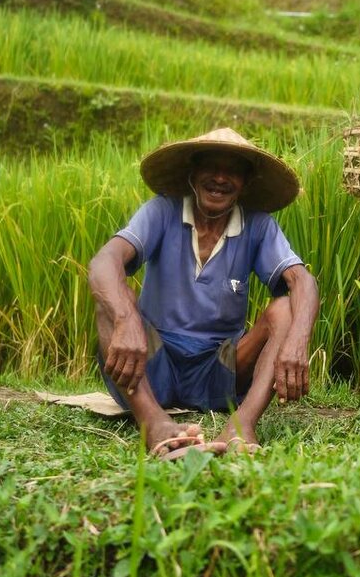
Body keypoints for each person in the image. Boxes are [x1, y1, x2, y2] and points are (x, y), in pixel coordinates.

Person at [88, 127, 319, 458]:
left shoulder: (258, 225)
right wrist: (126, 318)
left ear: (247, 181)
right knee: (108, 305)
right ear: (192, 173)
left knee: (285, 310)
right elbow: (104, 261)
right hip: (152, 364)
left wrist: (298, 340)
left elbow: (302, 281)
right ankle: (154, 425)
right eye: (211, 166)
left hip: (220, 370)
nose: (220, 178)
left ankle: (241, 426)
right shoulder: (162, 211)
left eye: (233, 170)